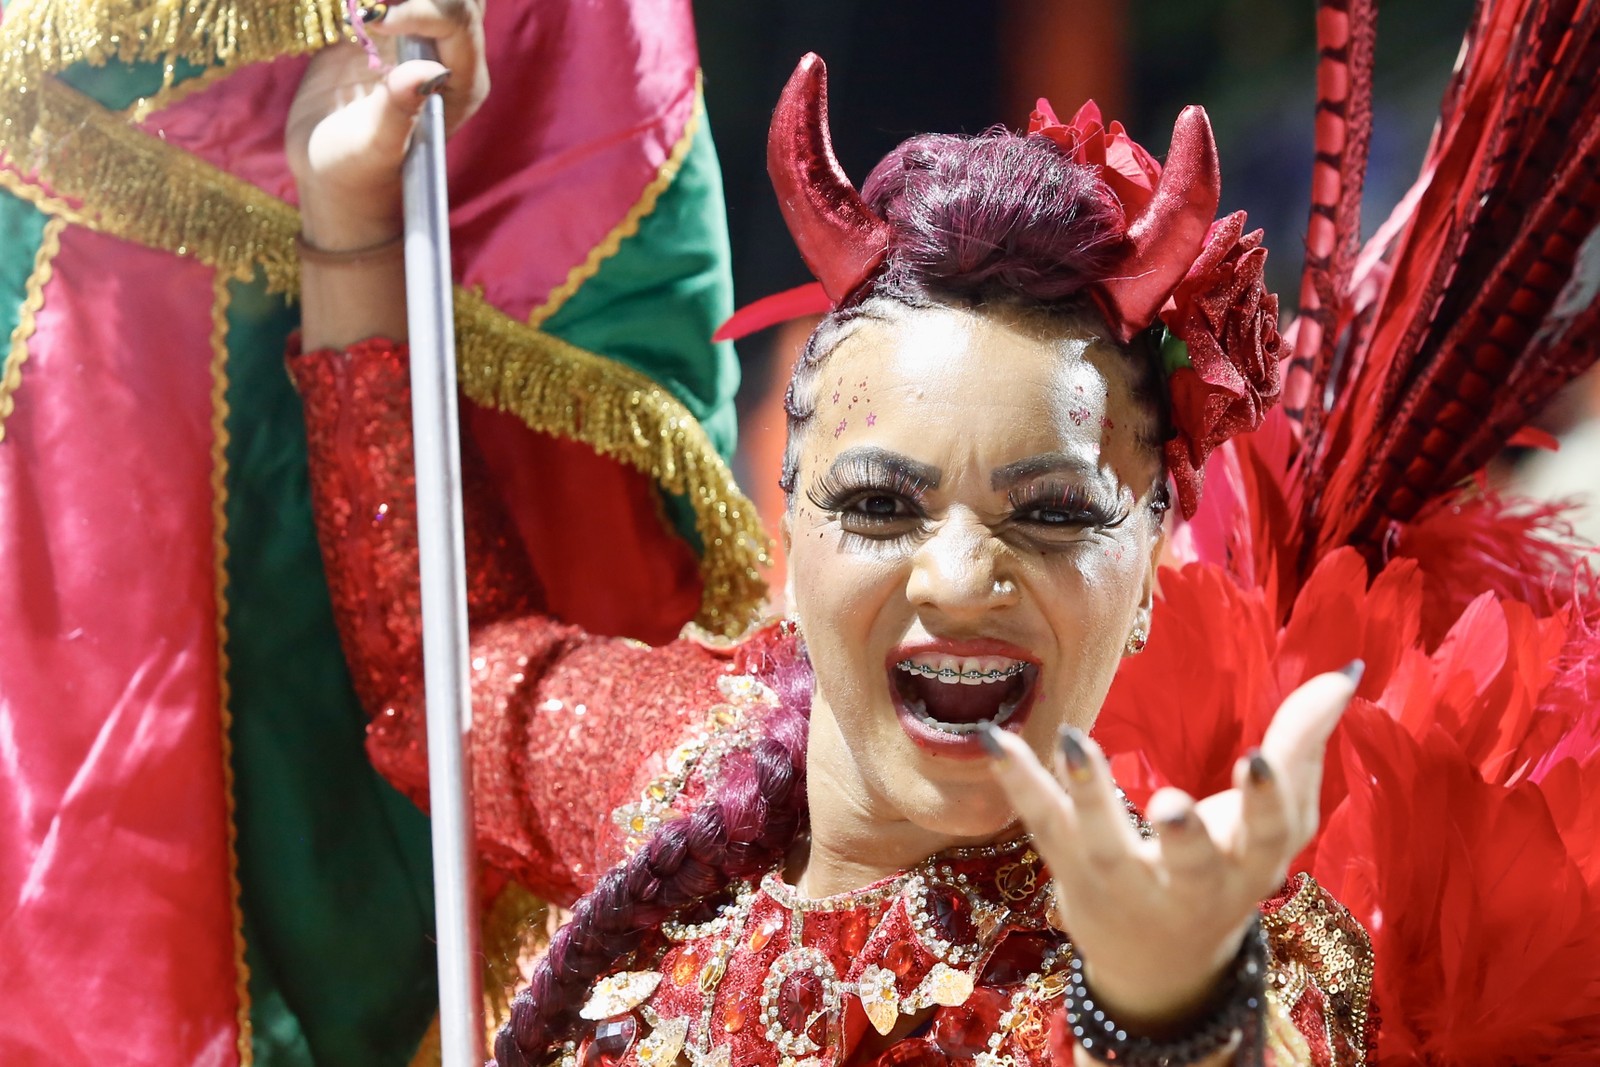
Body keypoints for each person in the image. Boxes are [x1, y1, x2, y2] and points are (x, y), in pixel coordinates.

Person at [287, 2, 1600, 1066]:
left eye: (1050, 514)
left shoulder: (1218, 944)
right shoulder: (677, 767)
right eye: (880, 505)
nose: (964, 576)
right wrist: (348, 234)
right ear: (787, 526)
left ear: (1147, 564)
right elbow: (444, 665)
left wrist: (1163, 1015)